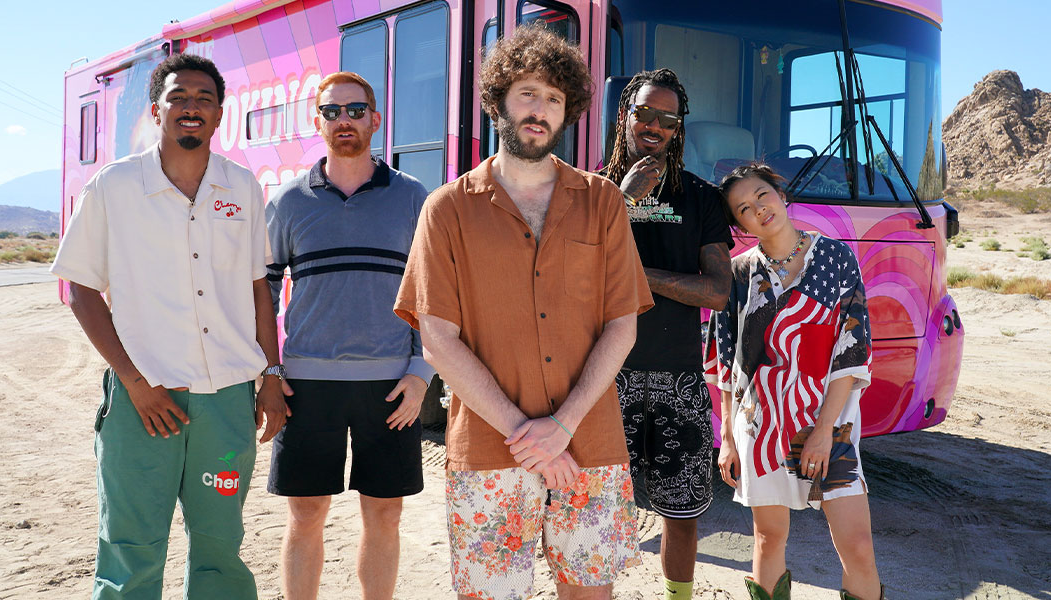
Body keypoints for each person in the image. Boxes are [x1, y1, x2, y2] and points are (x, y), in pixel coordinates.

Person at [394, 24, 653, 600]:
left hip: (590, 443)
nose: (541, 110)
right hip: (489, 448)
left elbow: (622, 324)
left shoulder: (603, 201)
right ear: (499, 100)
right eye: (528, 94)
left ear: (569, 112)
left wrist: (560, 428)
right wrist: (524, 433)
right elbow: (436, 336)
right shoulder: (447, 210)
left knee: (590, 592)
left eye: (555, 99)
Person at [51, 53, 288, 600]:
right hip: (143, 402)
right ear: (156, 111)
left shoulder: (242, 188)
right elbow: (80, 290)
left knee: (220, 545)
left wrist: (271, 377)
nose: (191, 107)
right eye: (178, 97)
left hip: (227, 403)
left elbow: (258, 289)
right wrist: (136, 383)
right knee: (130, 545)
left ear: (220, 113)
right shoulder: (114, 187)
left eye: (204, 99)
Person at [264, 71, 432, 600]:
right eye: (332, 111)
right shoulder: (289, 202)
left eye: (356, 111)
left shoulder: (412, 198)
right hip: (307, 384)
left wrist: (422, 371)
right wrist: (267, 370)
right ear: (317, 121)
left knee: (384, 514)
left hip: (390, 386)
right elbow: (262, 293)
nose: (344, 121)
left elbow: (437, 292)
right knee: (307, 513)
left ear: (375, 120)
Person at [705, 162, 884, 600]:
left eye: (762, 195)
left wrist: (823, 432)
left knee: (858, 547)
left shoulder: (836, 259)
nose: (759, 209)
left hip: (830, 423)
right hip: (760, 424)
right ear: (740, 224)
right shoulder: (738, 273)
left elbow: (851, 350)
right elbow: (728, 361)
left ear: (780, 194)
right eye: (744, 208)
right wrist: (727, 434)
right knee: (768, 540)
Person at [599, 68, 732, 600]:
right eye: (645, 114)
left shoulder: (701, 199)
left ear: (679, 128)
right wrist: (622, 202)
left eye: (667, 119)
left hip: (678, 378)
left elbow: (717, 291)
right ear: (625, 114)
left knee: (682, 512)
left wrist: (635, 275)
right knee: (594, 510)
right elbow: (566, 268)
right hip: (602, 379)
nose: (654, 126)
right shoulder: (589, 192)